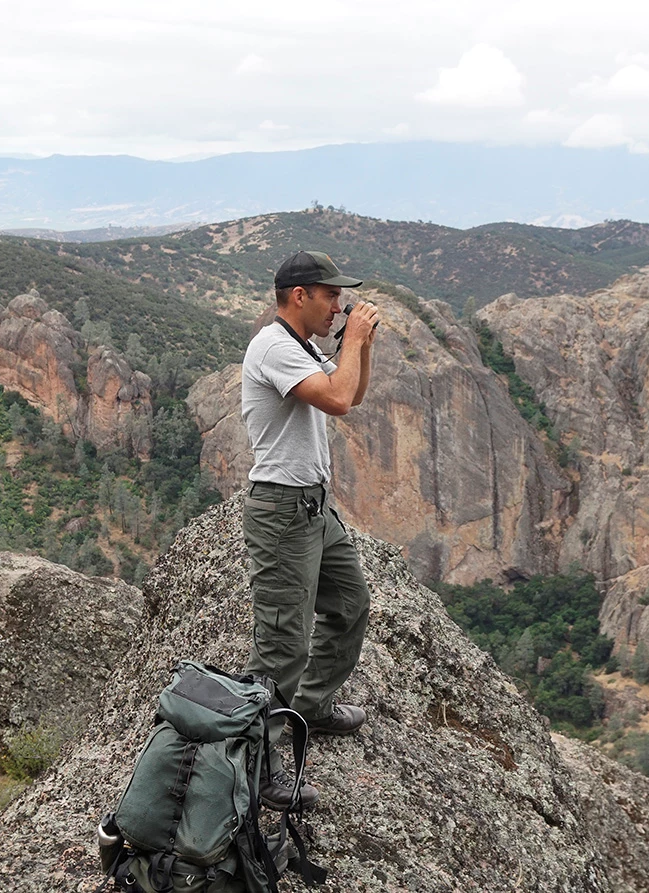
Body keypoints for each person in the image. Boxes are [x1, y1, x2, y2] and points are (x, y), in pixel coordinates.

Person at [240, 250, 380, 809]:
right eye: (330, 296)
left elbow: (355, 391)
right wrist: (350, 345)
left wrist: (359, 346)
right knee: (281, 649)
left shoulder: (304, 347)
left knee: (350, 603)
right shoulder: (272, 346)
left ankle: (312, 707)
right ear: (300, 295)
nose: (338, 306)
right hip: (281, 511)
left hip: (314, 508)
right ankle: (256, 764)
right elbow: (339, 400)